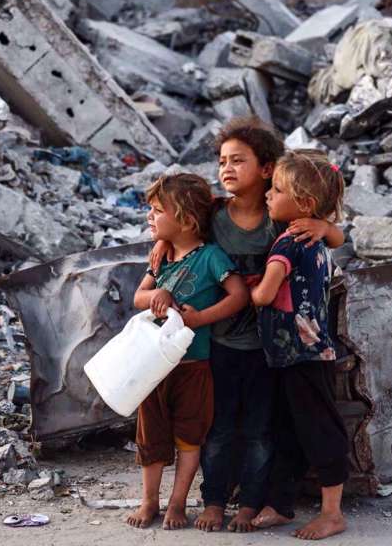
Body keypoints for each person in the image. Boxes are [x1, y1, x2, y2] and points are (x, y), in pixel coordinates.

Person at [153, 116, 345, 533]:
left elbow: (334, 238)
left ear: (266, 170)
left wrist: (326, 227)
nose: (226, 168)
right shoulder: (214, 216)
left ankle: (255, 502)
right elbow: (180, 228)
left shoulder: (283, 217)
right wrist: (164, 242)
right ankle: (217, 499)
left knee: (265, 429)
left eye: (238, 160)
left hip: (269, 349)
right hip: (220, 342)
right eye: (222, 160)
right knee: (218, 426)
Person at [127, 173, 249, 530]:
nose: (150, 216)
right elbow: (139, 298)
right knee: (150, 438)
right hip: (154, 367)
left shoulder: (210, 257)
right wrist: (158, 296)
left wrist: (200, 319)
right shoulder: (161, 257)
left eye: (157, 210)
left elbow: (239, 295)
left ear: (186, 220)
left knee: (189, 437)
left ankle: (177, 503)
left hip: (194, 365)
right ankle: (149, 500)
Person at [250, 149, 349, 540]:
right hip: (296, 353)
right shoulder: (315, 239)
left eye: (276, 190)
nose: (268, 196)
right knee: (290, 428)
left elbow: (264, 295)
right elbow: (337, 234)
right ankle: (280, 504)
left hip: (300, 353)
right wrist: (324, 225)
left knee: (319, 430)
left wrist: (247, 286)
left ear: (304, 205)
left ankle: (332, 513)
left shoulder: (288, 245)